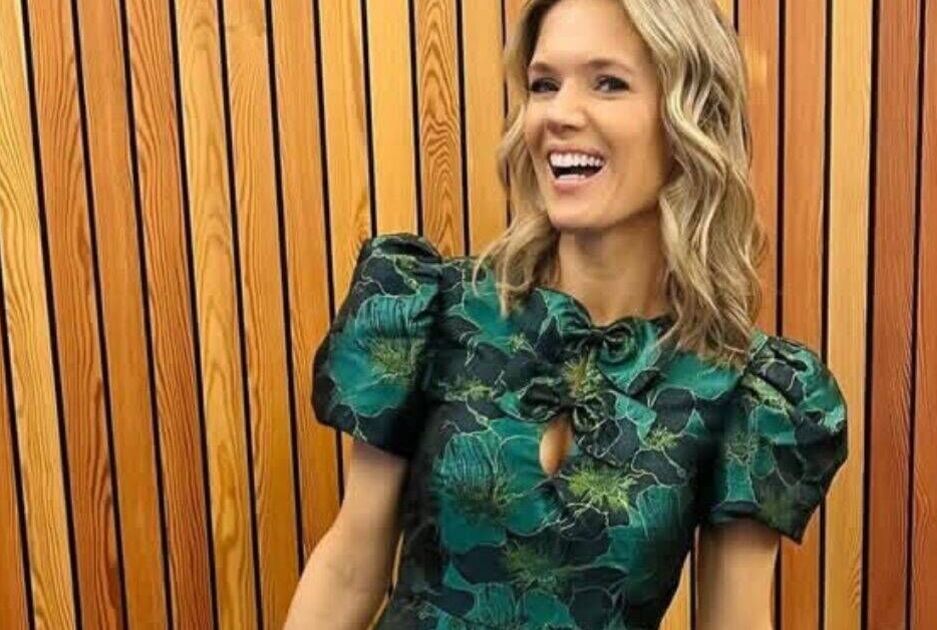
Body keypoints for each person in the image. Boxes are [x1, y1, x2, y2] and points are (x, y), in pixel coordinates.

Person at [284, 0, 848, 627]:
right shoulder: (433, 308)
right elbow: (350, 568)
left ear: (687, 121)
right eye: (544, 85)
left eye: (608, 83)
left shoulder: (741, 390)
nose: (559, 113)